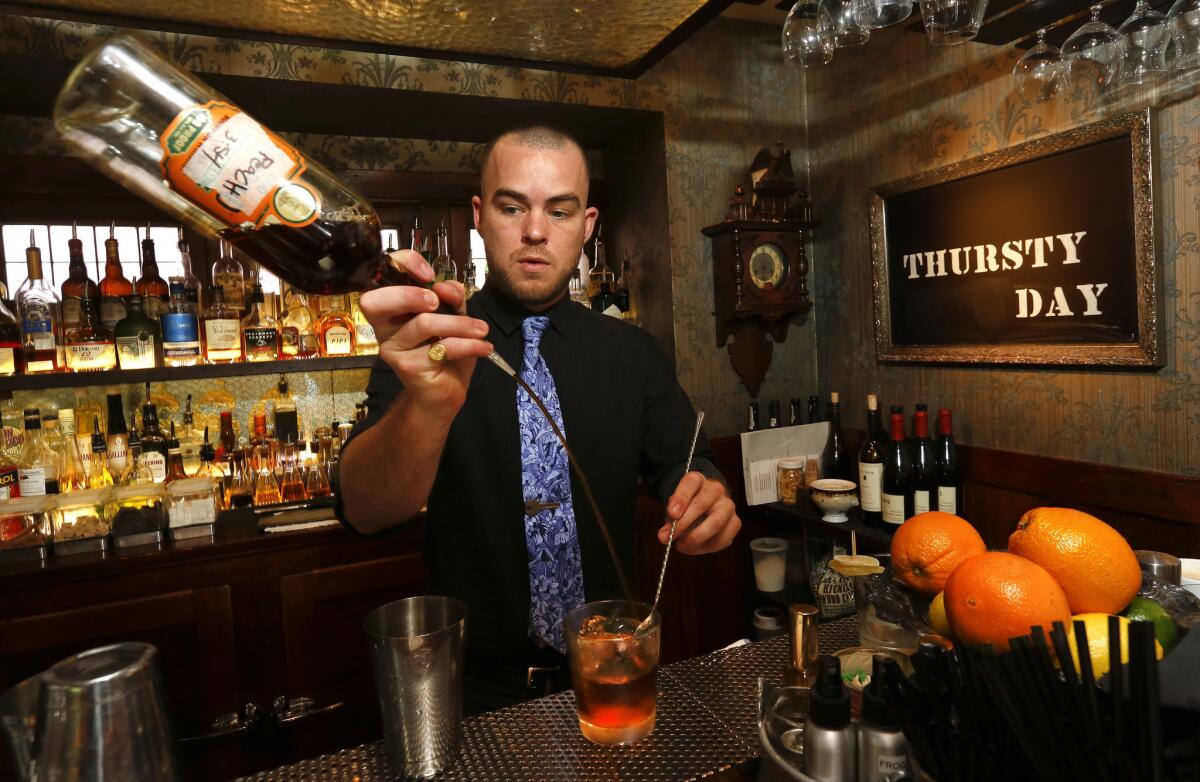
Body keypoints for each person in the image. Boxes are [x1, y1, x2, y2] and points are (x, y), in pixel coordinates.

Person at [336, 125, 741, 713]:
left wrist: (710, 496)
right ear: (479, 215)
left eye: (560, 210)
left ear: (588, 224)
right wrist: (427, 407)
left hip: (612, 677)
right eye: (511, 206)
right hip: (473, 694)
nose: (534, 231)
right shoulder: (428, 346)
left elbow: (688, 460)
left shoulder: (631, 352)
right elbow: (366, 512)